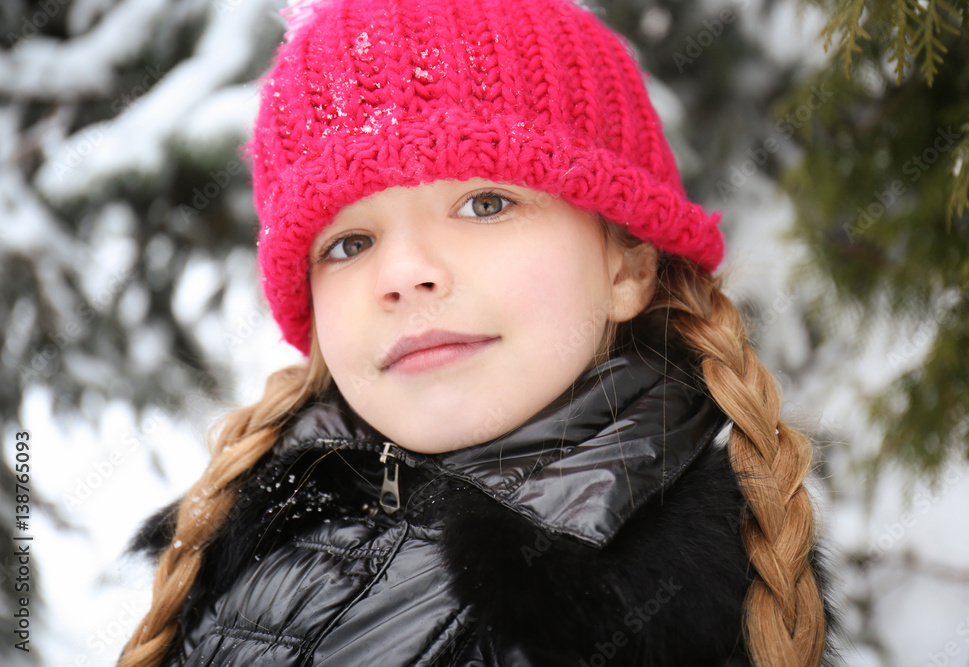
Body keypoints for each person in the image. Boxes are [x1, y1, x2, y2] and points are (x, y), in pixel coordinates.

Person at [119, 0, 839, 664]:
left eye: (485, 203)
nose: (405, 274)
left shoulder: (646, 616)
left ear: (625, 265)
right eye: (349, 243)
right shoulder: (260, 535)